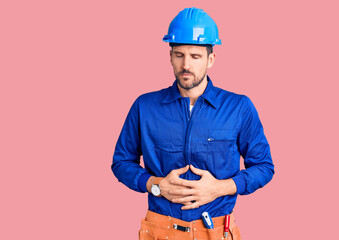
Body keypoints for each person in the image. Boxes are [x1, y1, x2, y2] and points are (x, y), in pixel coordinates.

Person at [112, 7, 274, 240]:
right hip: (160, 231)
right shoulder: (144, 106)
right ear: (170, 56)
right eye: (179, 55)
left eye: (195, 56)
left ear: (211, 59)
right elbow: (121, 162)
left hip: (217, 231)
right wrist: (155, 185)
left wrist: (222, 187)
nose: (186, 65)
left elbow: (264, 167)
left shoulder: (239, 107)